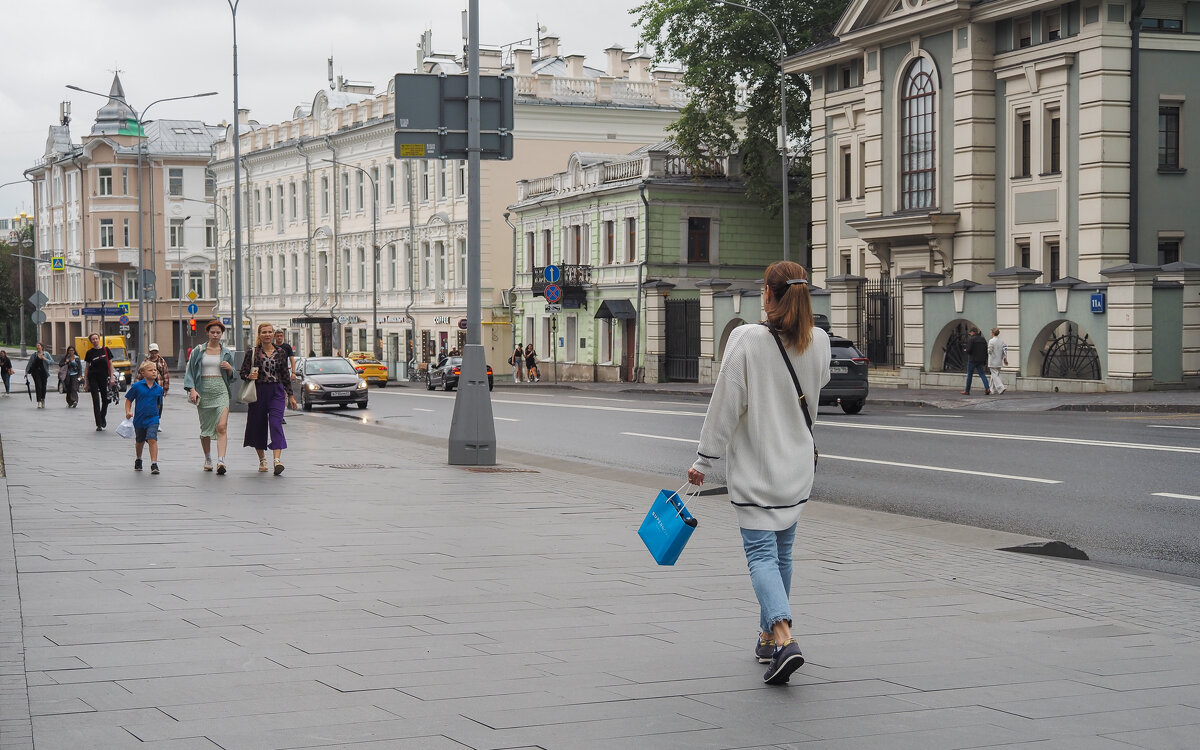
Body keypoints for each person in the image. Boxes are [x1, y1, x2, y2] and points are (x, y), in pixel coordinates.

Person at [686, 261, 831, 686]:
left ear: (768, 295)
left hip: (757, 470)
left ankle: (785, 639)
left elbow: (725, 406)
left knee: (761, 556)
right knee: (782, 554)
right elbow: (816, 382)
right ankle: (767, 636)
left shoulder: (746, 340)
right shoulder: (818, 341)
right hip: (797, 467)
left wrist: (703, 460)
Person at [240, 322, 298, 475]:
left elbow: (285, 375)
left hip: (276, 391)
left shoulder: (281, 352)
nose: (267, 334)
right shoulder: (252, 352)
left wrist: (291, 396)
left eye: (269, 332)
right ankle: (262, 460)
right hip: (258, 391)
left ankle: (277, 460)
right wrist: (249, 376)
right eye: (264, 332)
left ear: (273, 334)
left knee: (276, 423)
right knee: (258, 425)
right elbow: (243, 373)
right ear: (259, 334)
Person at [183, 320, 236, 474]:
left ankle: (221, 461)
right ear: (207, 333)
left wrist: (230, 369)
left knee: (221, 426)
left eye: (218, 332)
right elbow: (190, 372)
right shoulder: (198, 351)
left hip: (221, 390)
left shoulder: (226, 352)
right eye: (212, 332)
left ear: (221, 334)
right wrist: (192, 390)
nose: (215, 335)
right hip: (203, 391)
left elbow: (233, 376)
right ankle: (208, 458)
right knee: (206, 429)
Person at [125, 360, 164, 474]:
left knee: (152, 439)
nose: (153, 372)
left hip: (153, 418)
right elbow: (129, 400)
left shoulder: (159, 389)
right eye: (150, 370)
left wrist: (157, 417)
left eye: (155, 370)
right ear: (143, 373)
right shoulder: (137, 386)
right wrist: (128, 411)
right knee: (140, 441)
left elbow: (159, 404)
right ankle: (138, 458)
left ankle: (154, 464)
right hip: (139, 419)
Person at [83, 332, 116, 430]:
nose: (95, 340)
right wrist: (86, 382)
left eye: (96, 338)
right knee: (96, 400)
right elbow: (86, 368)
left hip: (104, 378)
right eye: (93, 339)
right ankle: (98, 424)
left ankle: (102, 417)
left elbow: (110, 365)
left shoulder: (106, 350)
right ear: (91, 341)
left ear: (99, 339)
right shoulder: (89, 353)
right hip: (93, 378)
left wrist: (112, 377)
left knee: (106, 399)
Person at [961, 326, 991, 395]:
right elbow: (985, 350)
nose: (970, 334)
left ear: (972, 332)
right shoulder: (983, 339)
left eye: (970, 333)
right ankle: (987, 388)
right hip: (980, 360)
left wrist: (966, 350)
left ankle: (967, 390)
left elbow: (969, 350)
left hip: (972, 360)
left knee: (969, 375)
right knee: (982, 374)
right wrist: (985, 360)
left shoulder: (971, 339)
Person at [26, 342, 53, 408]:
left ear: (42, 347)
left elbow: (52, 362)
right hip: (36, 373)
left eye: (39, 346)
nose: (37, 347)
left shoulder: (46, 354)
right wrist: (26, 372)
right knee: (38, 386)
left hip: (44, 373)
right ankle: (39, 401)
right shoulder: (34, 355)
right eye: (37, 346)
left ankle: (43, 399)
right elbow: (30, 363)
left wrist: (45, 359)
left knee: (43, 387)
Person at [987, 327, 1009, 395]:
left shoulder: (991, 341)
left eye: (991, 332)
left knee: (994, 375)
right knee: (993, 376)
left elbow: (990, 351)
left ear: (993, 333)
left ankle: (1001, 387)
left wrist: (988, 351)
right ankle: (991, 390)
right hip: (999, 361)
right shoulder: (1002, 341)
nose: (990, 333)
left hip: (993, 361)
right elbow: (1004, 351)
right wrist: (1005, 359)